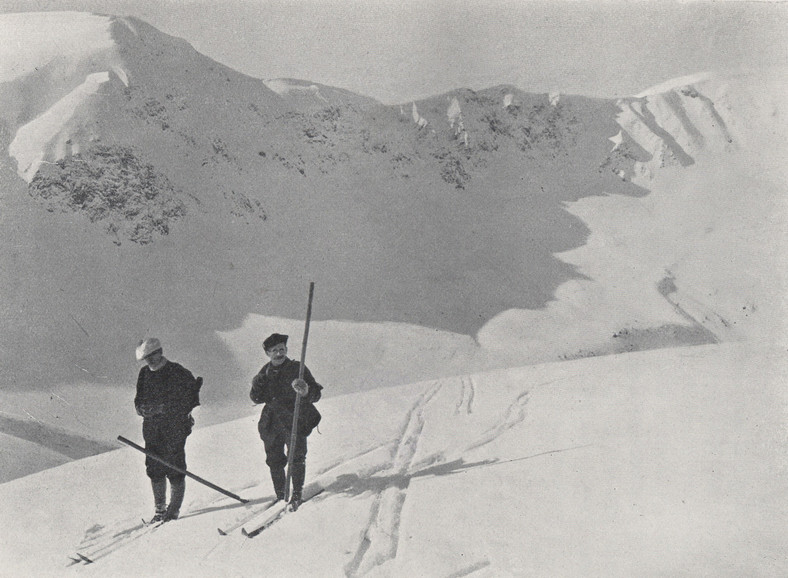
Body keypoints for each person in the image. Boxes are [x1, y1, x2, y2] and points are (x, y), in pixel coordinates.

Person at [250, 333, 323, 510]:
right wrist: (256, 386)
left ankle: (296, 494)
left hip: (295, 417)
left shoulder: (298, 368)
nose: (279, 353)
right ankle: (281, 494)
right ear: (268, 353)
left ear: (286, 349)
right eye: (274, 350)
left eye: (282, 349)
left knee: (296, 457)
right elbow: (256, 398)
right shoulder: (264, 372)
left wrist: (305, 391)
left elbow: (315, 394)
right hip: (272, 421)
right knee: (274, 460)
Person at [134, 338, 202, 522]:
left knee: (175, 465)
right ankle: (159, 509)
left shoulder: (178, 372)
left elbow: (191, 400)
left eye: (152, 355)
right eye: (146, 358)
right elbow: (138, 399)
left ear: (161, 351)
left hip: (175, 427)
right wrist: (141, 409)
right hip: (151, 428)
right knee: (154, 466)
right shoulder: (144, 374)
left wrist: (165, 409)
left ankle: (174, 509)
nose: (150, 361)